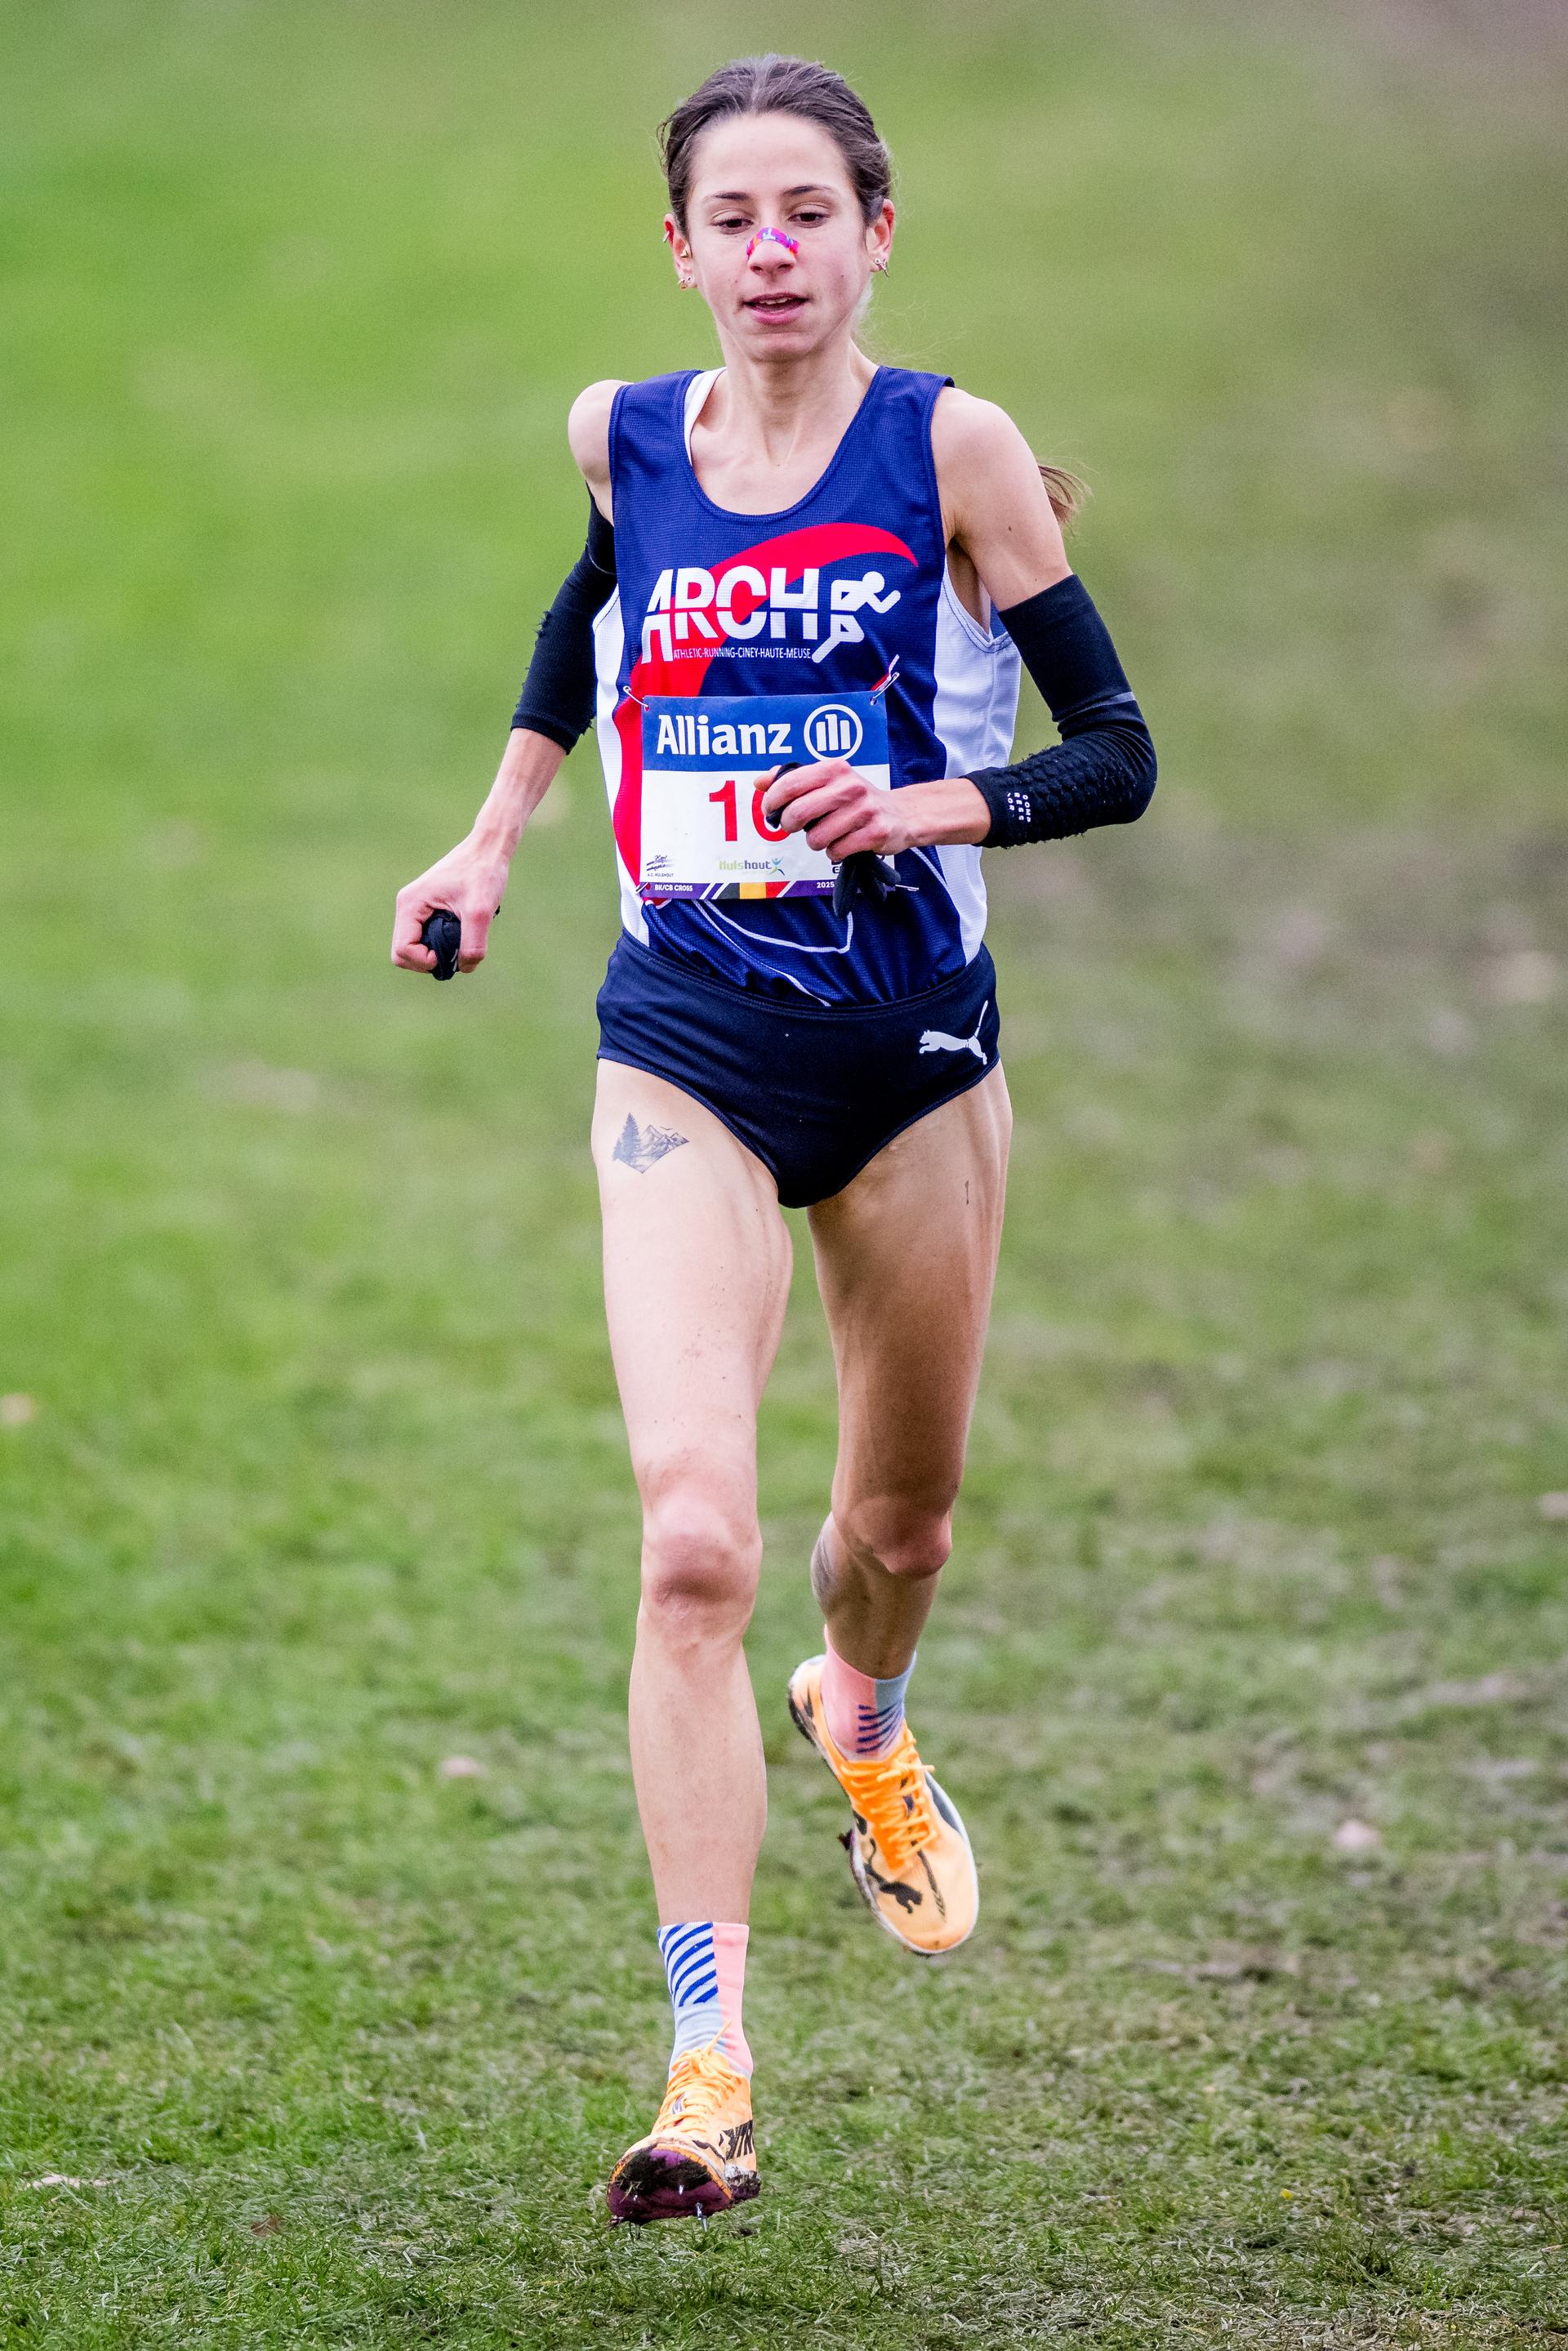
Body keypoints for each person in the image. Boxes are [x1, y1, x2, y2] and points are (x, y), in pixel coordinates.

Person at [391, 52, 1156, 2227]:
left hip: (914, 1058)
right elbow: (588, 617)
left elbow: (1117, 750)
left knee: (886, 1537)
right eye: (734, 218)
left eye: (810, 211)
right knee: (694, 1540)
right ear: (681, 249)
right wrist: (494, 834)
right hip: (688, 1048)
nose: (774, 252)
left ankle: (872, 1712)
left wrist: (931, 799)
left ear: (875, 230)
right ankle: (706, 2069)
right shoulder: (628, 434)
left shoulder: (955, 450)